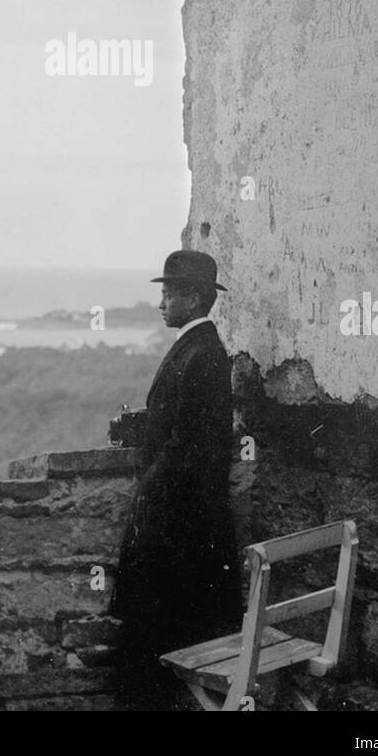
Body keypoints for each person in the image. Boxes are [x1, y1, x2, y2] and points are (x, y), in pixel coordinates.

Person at [111, 250, 242, 710]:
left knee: (162, 635)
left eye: (167, 293)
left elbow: (191, 445)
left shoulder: (202, 352)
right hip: (181, 519)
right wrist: (143, 427)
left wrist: (147, 487)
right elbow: (183, 419)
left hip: (179, 523)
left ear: (192, 297)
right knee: (167, 634)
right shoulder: (197, 347)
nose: (160, 303)